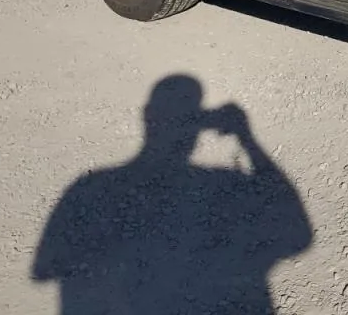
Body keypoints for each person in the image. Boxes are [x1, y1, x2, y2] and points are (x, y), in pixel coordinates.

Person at [32, 75, 312, 315]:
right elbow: (298, 233)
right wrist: (246, 138)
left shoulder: (87, 188)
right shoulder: (223, 179)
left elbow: (47, 269)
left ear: (148, 117)